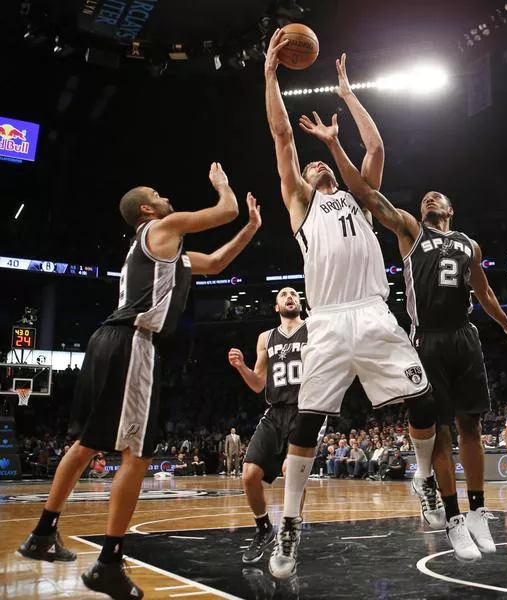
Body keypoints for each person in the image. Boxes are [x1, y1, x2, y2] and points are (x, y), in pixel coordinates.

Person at [299, 89, 507, 565]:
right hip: (426, 337)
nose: (429, 195)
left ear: (450, 208)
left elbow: (484, 293)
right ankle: (452, 516)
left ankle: (480, 510)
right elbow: (365, 192)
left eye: (436, 195)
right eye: (425, 195)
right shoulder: (409, 228)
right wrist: (335, 145)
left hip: (465, 334)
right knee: (441, 428)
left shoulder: (469, 243)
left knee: (471, 425)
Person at [17, 163, 261, 598]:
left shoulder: (167, 256)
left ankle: (42, 532)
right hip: (133, 343)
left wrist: (253, 226)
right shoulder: (162, 227)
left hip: (107, 341)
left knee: (87, 442)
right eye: (158, 193)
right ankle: (109, 562)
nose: (166, 196)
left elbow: (219, 260)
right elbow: (224, 211)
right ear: (148, 208)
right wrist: (223, 188)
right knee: (137, 452)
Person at [263, 35, 439, 579]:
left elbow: (378, 150)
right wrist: (269, 75)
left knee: (425, 401)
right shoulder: (299, 203)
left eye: (326, 165)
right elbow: (283, 136)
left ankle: (425, 478)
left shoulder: (361, 200)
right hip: (329, 320)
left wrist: (347, 94)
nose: (319, 166)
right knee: (306, 426)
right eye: (314, 167)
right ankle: (289, 526)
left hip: (372, 310)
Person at [228, 287, 312, 564]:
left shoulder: (313, 328)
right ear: (276, 306)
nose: (289, 296)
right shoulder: (266, 337)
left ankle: (290, 531)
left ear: (300, 303)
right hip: (275, 412)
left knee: (291, 470)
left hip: (305, 411)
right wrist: (241, 367)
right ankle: (263, 527)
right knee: (249, 474)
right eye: (283, 294)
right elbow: (258, 384)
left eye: (294, 294)